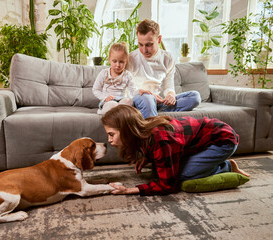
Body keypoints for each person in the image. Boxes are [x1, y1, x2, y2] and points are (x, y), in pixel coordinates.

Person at [101, 105, 250, 196]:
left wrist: (129, 190)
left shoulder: (160, 139)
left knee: (182, 176)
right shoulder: (143, 132)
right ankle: (211, 162)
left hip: (222, 141)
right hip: (201, 142)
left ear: (127, 130)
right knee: (158, 170)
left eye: (111, 134)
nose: (109, 140)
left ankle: (227, 166)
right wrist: (147, 158)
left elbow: (167, 186)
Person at [127, 19, 201, 119]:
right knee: (147, 99)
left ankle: (151, 112)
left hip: (158, 102)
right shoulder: (131, 58)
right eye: (140, 44)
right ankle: (152, 121)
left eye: (149, 44)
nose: (144, 50)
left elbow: (169, 85)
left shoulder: (167, 58)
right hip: (138, 99)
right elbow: (125, 88)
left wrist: (170, 95)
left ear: (159, 39)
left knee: (194, 97)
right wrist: (148, 95)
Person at [92, 42, 139, 115]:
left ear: (126, 61)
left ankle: (119, 113)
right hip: (107, 102)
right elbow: (95, 89)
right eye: (114, 61)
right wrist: (105, 98)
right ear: (109, 60)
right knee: (112, 105)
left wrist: (140, 92)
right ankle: (103, 111)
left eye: (121, 62)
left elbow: (133, 91)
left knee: (129, 101)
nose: (117, 65)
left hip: (121, 100)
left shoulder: (127, 75)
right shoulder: (104, 73)